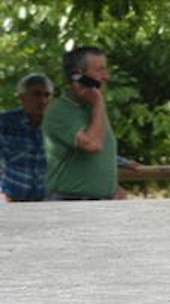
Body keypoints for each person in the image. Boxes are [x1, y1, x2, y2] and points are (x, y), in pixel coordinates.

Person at [43, 47, 134, 200]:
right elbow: (93, 144)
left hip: (100, 200)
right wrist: (99, 103)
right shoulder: (60, 110)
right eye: (100, 70)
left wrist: (111, 188)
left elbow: (98, 154)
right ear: (78, 75)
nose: (107, 76)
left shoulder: (91, 108)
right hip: (70, 201)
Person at [0, 73, 53, 202]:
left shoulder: (58, 126)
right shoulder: (5, 122)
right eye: (36, 94)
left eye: (46, 95)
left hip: (49, 203)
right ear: (22, 97)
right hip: (10, 199)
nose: (42, 100)